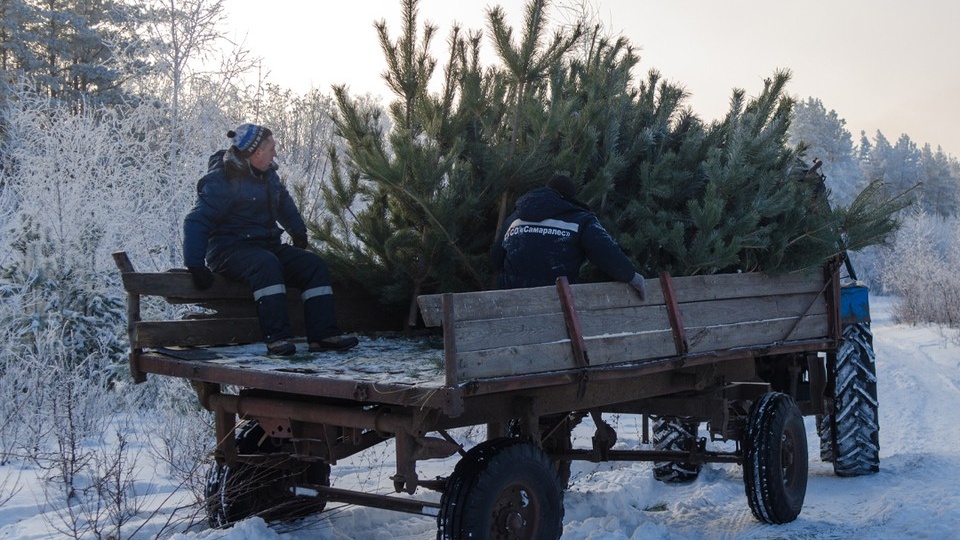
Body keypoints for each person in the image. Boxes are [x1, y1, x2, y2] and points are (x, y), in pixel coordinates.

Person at [182, 123, 358, 355]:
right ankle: (277, 338)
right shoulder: (221, 181)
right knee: (266, 264)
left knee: (312, 265)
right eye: (272, 148)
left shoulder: (268, 176)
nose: (275, 152)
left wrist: (298, 231)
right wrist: (195, 264)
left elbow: (284, 203)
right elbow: (197, 221)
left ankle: (324, 335)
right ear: (256, 152)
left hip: (266, 247)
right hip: (229, 250)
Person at [493, 174, 646, 298]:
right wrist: (631, 276)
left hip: (510, 302)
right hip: (556, 303)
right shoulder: (580, 219)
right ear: (569, 198)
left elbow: (495, 259)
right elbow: (605, 252)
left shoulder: (515, 217)